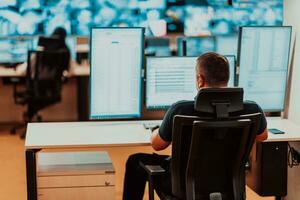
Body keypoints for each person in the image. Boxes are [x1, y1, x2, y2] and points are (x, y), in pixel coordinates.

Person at [122, 52, 268, 200]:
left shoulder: (180, 109)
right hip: (229, 186)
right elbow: (262, 136)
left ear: (200, 80)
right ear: (227, 78)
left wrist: (155, 131)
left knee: (135, 161)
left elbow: (157, 145)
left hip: (184, 187)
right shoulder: (252, 109)